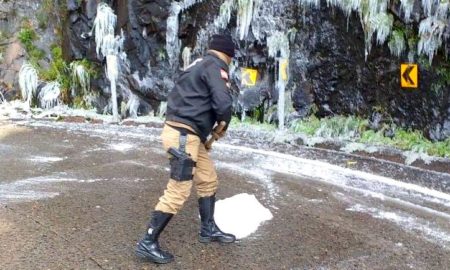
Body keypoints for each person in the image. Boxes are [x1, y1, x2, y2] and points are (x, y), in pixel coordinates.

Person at [135, 34, 237, 264]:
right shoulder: (216, 65)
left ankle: (207, 229)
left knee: (207, 179)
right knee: (179, 189)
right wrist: (222, 126)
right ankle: (148, 241)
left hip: (188, 134)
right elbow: (223, 103)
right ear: (228, 54)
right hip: (183, 136)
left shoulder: (198, 64)